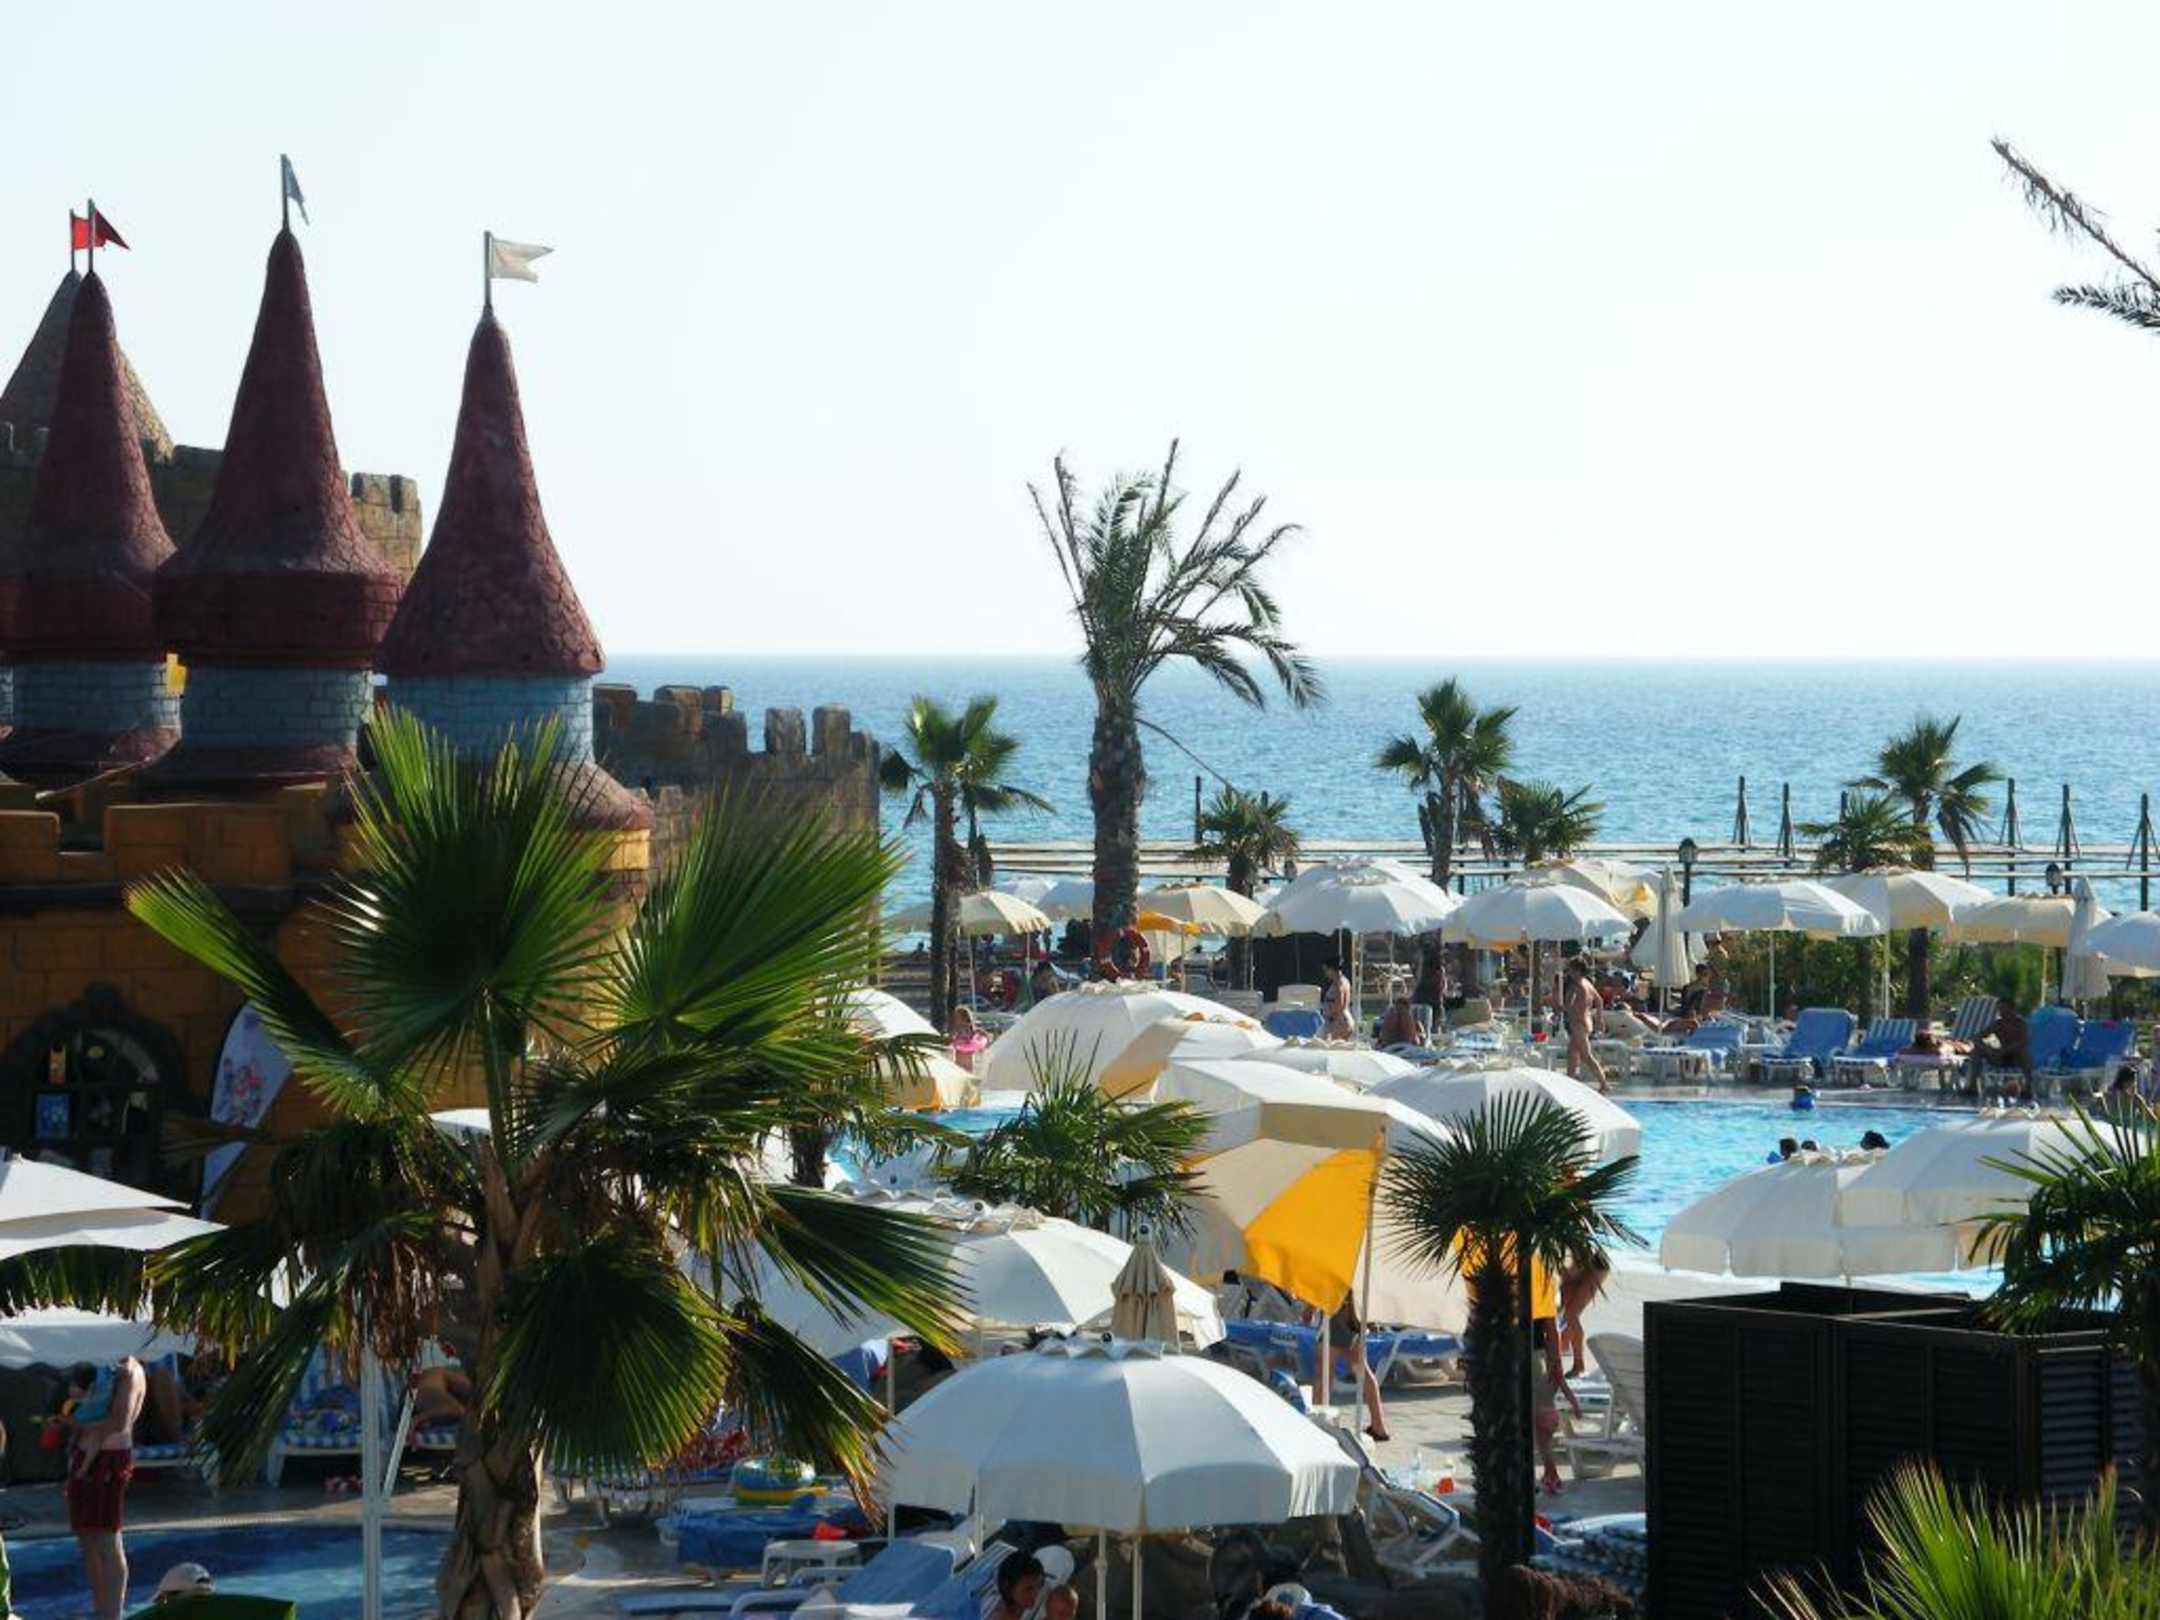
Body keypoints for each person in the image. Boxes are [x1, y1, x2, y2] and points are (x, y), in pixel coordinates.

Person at [66, 1355, 145, 1620]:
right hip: (85, 1457)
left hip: (109, 1460)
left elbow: (120, 1422)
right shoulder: (102, 1365)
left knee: (108, 1540)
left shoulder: (130, 1371)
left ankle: (112, 1614)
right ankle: (101, 1610)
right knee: (87, 1538)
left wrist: (78, 1425)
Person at [1328, 1297, 1389, 1442]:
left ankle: (1318, 1422)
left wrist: (1310, 1308)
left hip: (1341, 1308)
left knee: (1324, 1367)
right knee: (1360, 1366)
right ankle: (1378, 1426)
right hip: (1353, 1309)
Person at [1532, 1316, 1581, 1494]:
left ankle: (1551, 1474)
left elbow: (1551, 1330)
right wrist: (1574, 1403)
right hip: (1537, 1356)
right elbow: (1551, 1330)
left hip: (1531, 1356)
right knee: (1543, 1434)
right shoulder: (1540, 1299)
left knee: (1541, 1431)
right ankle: (1550, 1474)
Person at [1556, 1254, 1610, 1379]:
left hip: (1592, 1263)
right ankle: (1565, 1347)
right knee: (1569, 1310)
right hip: (1588, 1261)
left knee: (1571, 1314)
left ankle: (1578, 1364)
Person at [1966, 1002, 2033, 1096]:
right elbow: (1976, 1038)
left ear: (2012, 1010)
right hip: (1999, 1057)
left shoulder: (2021, 1024)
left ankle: (2028, 1088)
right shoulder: (1998, 1024)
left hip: (2015, 1057)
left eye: (2004, 1009)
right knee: (1976, 1051)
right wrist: (1988, 1049)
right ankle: (1972, 1086)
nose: (2001, 1012)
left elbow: (2023, 1042)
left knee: (2024, 1054)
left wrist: (2005, 1050)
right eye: (2000, 1010)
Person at [1563, 962, 1607, 1094]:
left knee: (1586, 1055)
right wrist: (1599, 1018)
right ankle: (1569, 1080)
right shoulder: (1587, 983)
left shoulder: (1576, 986)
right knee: (1572, 1052)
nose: (1569, 973)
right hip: (1586, 1022)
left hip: (1578, 1023)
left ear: (1577, 971)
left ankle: (1604, 1083)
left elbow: (1568, 1005)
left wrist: (1560, 1006)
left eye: (1571, 970)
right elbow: (1599, 1001)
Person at [988, 1551, 1045, 1620]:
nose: (1035, 1594)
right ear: (1008, 1587)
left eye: (1039, 1586)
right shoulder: (1002, 1616)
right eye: (1028, 1589)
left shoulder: (1018, 1608)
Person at [1318, 959, 1354, 1041]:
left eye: (1326, 970)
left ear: (1331, 969)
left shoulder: (1339, 983)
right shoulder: (1345, 981)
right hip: (1345, 1019)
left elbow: (1340, 1003)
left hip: (1338, 1022)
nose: (1325, 973)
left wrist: (1333, 1021)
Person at [949, 1006, 988, 1074]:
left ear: (964, 1017)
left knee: (967, 1073)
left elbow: (982, 1035)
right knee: (961, 1073)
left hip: (967, 1059)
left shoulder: (970, 1029)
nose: (955, 1019)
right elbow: (951, 1040)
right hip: (960, 1059)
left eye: (957, 1017)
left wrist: (982, 1038)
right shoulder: (956, 1029)